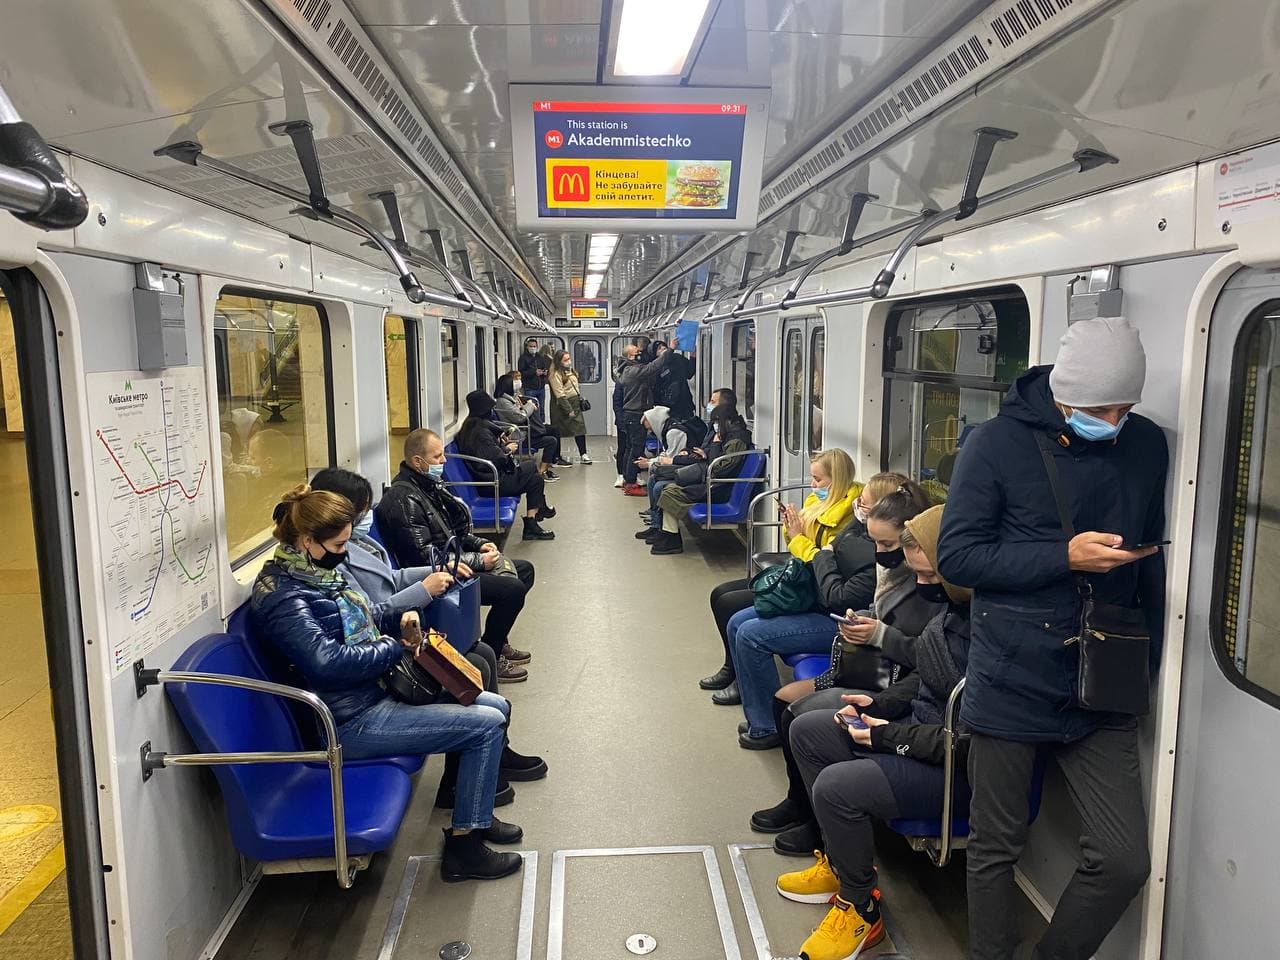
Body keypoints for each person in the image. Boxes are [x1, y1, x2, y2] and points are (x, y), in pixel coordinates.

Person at [937, 317, 1166, 960]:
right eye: (1101, 408)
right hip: (1012, 670)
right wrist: (1063, 556)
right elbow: (959, 557)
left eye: (1125, 408)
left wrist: (1144, 661)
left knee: (1123, 859)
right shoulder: (995, 444)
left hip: (1103, 675)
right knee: (995, 846)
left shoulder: (1146, 444)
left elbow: (1150, 562)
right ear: (1065, 395)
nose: (1114, 422)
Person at [250, 485, 523, 882]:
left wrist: (399, 619)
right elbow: (327, 664)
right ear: (307, 540)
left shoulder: (316, 575)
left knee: (494, 705)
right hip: (349, 721)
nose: (344, 552)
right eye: (338, 545)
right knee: (486, 725)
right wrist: (395, 646)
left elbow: (367, 615)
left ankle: (475, 814)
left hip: (369, 693)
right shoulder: (285, 598)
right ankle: (465, 848)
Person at [776, 504, 971, 960]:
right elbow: (924, 676)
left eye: (931, 576)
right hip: (920, 732)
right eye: (917, 575)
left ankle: (861, 909)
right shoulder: (952, 615)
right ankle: (843, 866)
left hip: (956, 768)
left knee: (837, 786)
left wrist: (887, 736)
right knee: (809, 730)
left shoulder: (991, 635)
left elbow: (969, 742)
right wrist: (878, 706)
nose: (922, 586)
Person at [309, 467, 548, 785]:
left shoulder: (357, 543)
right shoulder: (334, 562)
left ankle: (492, 754)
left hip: (397, 628)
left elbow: (392, 577)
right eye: (360, 513)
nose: (365, 519)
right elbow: (369, 615)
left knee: (483, 654)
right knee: (476, 660)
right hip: (388, 640)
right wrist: (424, 590)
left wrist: (438, 571)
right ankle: (468, 769)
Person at [751, 478, 943, 856]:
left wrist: (879, 634)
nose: (879, 553)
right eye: (876, 543)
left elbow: (927, 657)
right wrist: (866, 620)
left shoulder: (930, 584)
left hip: (891, 683)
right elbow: (882, 613)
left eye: (887, 545)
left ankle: (817, 821)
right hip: (868, 668)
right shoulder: (893, 572)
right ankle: (801, 802)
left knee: (797, 713)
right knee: (784, 702)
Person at [700, 462, 891, 702]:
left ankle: (752, 697)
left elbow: (824, 565)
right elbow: (815, 552)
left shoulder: (854, 529)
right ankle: (739, 678)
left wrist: (813, 548)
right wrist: (793, 532)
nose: (813, 485)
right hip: (811, 582)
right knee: (729, 608)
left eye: (818, 479)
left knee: (739, 618)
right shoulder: (838, 514)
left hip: (828, 606)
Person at [726, 458, 880, 749]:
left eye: (865, 503)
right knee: (736, 621)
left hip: (837, 619)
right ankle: (760, 711)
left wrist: (818, 552)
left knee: (750, 635)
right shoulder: (853, 527)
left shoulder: (862, 540)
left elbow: (834, 589)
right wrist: (797, 535)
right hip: (816, 598)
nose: (859, 505)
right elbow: (816, 558)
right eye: (860, 500)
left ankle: (766, 727)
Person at [376, 429, 538, 682]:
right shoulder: (403, 501)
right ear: (418, 461)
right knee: (512, 590)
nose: (443, 461)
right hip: (436, 576)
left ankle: (497, 640)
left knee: (524, 570)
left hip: (453, 561)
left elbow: (452, 532)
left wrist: (480, 544)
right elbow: (424, 558)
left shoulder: (428, 487)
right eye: (437, 456)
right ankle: (493, 655)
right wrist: (477, 561)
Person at [649, 388, 752, 555]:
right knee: (664, 484)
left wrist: (715, 446)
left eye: (713, 402)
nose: (709, 405)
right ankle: (666, 533)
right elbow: (711, 456)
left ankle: (672, 539)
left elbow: (721, 468)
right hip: (711, 479)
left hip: (718, 486)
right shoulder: (722, 431)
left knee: (669, 491)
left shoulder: (736, 438)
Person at [455, 391, 556, 541]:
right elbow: (497, 459)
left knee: (536, 480)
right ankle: (539, 512)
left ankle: (532, 523)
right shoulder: (480, 434)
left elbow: (488, 451)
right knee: (531, 467)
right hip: (492, 483)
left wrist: (500, 441)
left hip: (489, 477)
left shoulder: (472, 425)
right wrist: (507, 450)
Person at [616, 341, 675, 494]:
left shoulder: (626, 369)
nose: (640, 355)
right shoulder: (632, 370)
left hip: (631, 414)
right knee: (636, 449)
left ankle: (628, 479)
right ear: (631, 356)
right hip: (635, 414)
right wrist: (670, 350)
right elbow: (652, 367)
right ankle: (631, 484)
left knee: (630, 448)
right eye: (637, 353)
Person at [494, 373, 565, 478]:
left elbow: (518, 413)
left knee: (553, 430)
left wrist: (522, 403)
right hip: (516, 433)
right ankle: (542, 471)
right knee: (551, 441)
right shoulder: (504, 402)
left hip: (520, 428)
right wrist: (530, 405)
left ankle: (552, 461)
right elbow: (520, 417)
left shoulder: (510, 398)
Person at [548, 349, 591, 463]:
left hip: (575, 402)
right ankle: (556, 457)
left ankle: (583, 454)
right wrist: (568, 409)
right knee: (557, 431)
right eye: (565, 360)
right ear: (559, 362)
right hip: (561, 405)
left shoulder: (570, 371)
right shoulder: (555, 374)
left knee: (580, 429)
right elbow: (559, 394)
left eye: (569, 359)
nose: (569, 361)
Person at [651, 340, 696, 420]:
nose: (663, 348)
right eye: (659, 348)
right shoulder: (655, 367)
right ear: (655, 354)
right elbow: (655, 390)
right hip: (668, 407)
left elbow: (689, 373)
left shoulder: (677, 358)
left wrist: (693, 357)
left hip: (685, 402)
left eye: (664, 345)